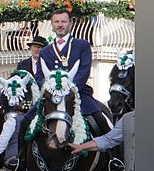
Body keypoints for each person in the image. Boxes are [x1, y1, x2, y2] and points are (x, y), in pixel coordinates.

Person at [29, 9, 112, 138]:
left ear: (70, 24)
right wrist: (50, 90)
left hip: (78, 95)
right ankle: (20, 158)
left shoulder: (82, 45)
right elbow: (39, 76)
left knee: (100, 121)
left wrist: (69, 90)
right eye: (56, 22)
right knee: (24, 122)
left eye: (63, 21)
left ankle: (113, 156)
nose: (60, 25)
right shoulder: (45, 51)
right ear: (52, 25)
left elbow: (84, 72)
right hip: (51, 97)